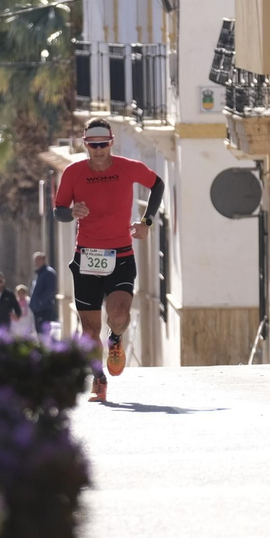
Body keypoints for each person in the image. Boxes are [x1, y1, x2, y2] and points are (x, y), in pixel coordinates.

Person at [53, 119, 165, 403]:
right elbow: (59, 211)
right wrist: (72, 212)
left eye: (103, 144)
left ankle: (115, 339)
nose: (99, 150)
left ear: (111, 142)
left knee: (118, 316)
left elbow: (158, 184)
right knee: (89, 330)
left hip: (121, 255)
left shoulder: (128, 167)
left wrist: (147, 221)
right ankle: (98, 378)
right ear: (85, 144)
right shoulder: (73, 173)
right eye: (93, 145)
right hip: (86, 258)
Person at [29, 252, 58, 335]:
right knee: (38, 331)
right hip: (36, 308)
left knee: (44, 332)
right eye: (35, 260)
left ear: (44, 260)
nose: (37, 262)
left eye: (39, 259)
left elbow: (51, 290)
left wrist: (41, 302)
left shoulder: (49, 273)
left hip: (44, 308)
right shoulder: (37, 273)